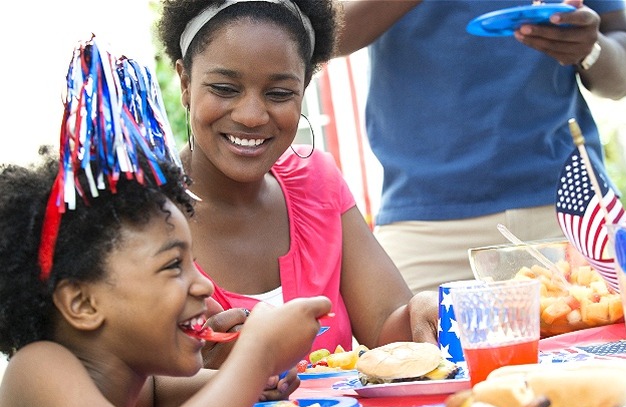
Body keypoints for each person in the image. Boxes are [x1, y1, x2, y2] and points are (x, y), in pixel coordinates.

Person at [0, 38, 330, 407]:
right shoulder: (39, 371)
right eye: (174, 264)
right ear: (83, 303)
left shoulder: (139, 381)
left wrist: (257, 386)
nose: (205, 284)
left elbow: (167, 396)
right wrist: (256, 357)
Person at [156, 0, 438, 368]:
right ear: (185, 82)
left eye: (278, 94)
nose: (252, 116)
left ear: (304, 88)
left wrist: (420, 311)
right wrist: (202, 373)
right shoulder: (144, 212)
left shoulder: (316, 182)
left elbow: (388, 325)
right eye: (225, 88)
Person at [335, 0, 626, 293]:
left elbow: (622, 74)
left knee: (620, 340)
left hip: (568, 210)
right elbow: (325, 34)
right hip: (426, 227)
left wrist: (589, 48)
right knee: (410, 347)